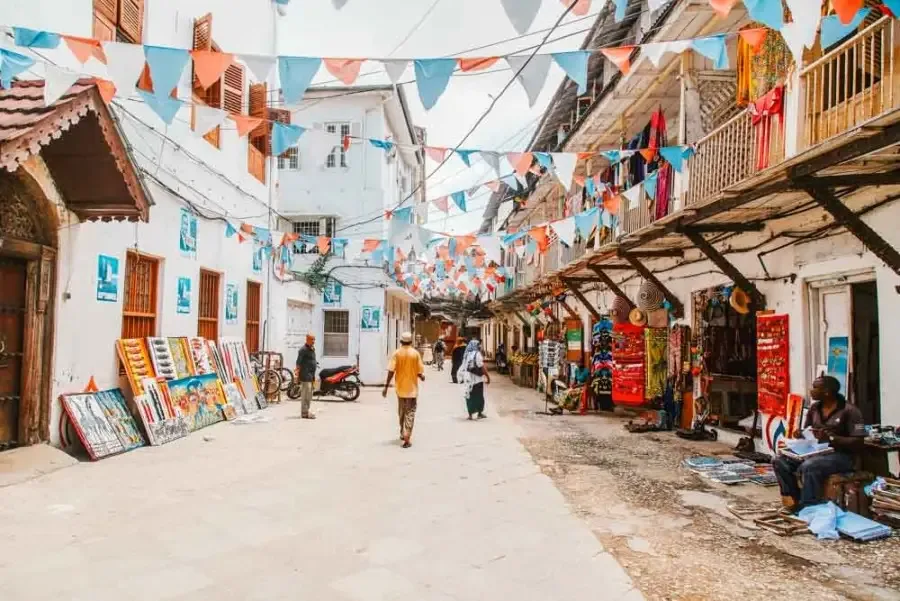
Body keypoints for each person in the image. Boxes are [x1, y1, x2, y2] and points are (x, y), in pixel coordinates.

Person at [772, 375, 864, 511]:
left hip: (842, 456)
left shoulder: (851, 411)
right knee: (779, 460)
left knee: (810, 466)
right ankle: (792, 499)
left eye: (815, 388)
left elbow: (858, 441)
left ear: (827, 392)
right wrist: (801, 433)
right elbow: (808, 430)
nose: (811, 390)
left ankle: (809, 506)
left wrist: (832, 439)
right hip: (815, 451)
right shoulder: (814, 408)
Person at [382, 332, 425, 448]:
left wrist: (386, 387)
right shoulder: (415, 354)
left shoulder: (397, 353)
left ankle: (403, 432)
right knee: (410, 412)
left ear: (401, 341)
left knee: (401, 412)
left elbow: (391, 371)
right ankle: (407, 435)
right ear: (411, 341)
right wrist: (421, 376)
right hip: (412, 390)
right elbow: (420, 371)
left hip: (400, 389)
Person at [461, 339, 491, 420]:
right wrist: (488, 377)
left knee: (469, 396)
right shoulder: (477, 354)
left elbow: (463, 366)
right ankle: (479, 413)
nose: (480, 346)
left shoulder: (466, 354)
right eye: (479, 345)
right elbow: (482, 367)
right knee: (479, 396)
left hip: (468, 380)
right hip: (477, 379)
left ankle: (470, 414)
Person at [295, 334, 317, 419]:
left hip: (311, 375)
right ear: (307, 339)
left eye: (314, 340)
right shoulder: (303, 350)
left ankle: (306, 411)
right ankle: (304, 412)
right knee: (305, 394)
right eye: (312, 339)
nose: (313, 341)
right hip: (305, 375)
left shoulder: (311, 349)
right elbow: (298, 362)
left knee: (310, 394)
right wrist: (297, 371)